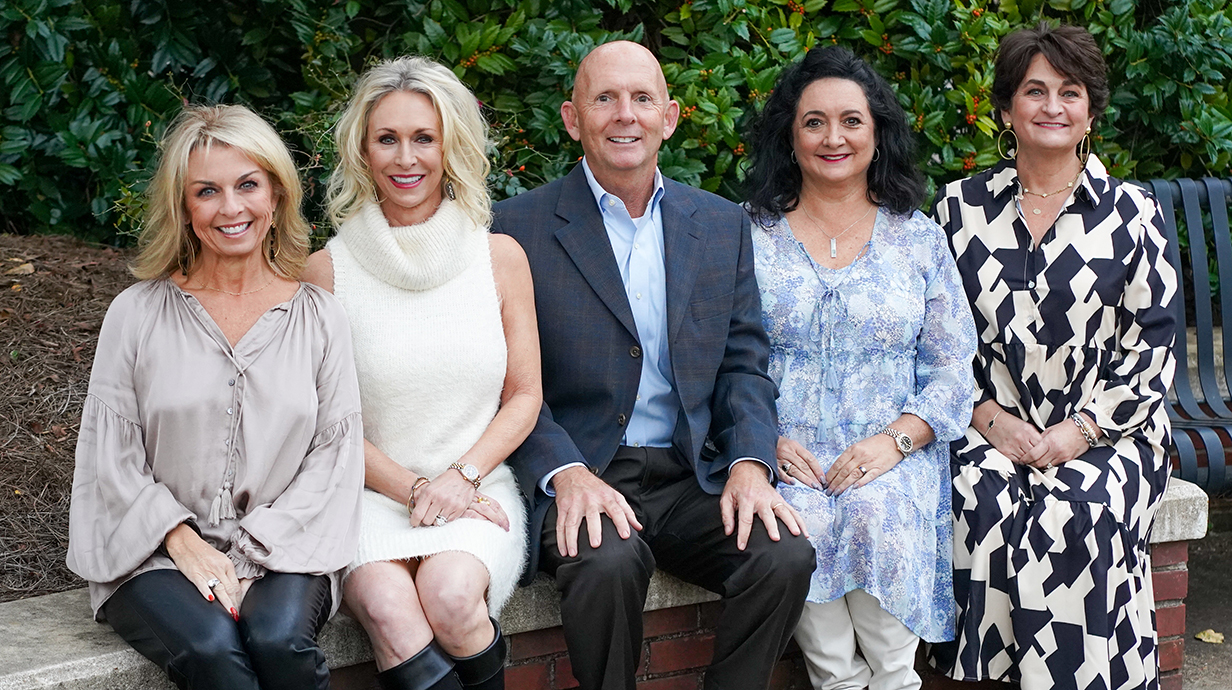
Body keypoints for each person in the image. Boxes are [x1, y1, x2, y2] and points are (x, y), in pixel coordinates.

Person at [490, 40, 816, 690]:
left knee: (784, 558)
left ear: (669, 117)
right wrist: (566, 472)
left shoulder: (721, 225)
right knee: (607, 565)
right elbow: (505, 377)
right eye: (604, 98)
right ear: (571, 117)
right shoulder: (517, 226)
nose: (624, 115)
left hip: (690, 475)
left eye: (641, 98)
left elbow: (744, 364)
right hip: (586, 468)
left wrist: (752, 465)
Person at [65, 104, 365, 690]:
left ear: (276, 195)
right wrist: (185, 544)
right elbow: (111, 458)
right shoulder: (136, 314)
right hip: (149, 550)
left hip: (285, 542)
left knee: (277, 640)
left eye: (247, 185)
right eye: (207, 191)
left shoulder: (320, 317)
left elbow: (334, 456)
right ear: (184, 206)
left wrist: (251, 555)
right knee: (211, 649)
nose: (231, 209)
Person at [929, 23, 1177, 690]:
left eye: (1070, 92)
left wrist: (1080, 432)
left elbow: (1152, 348)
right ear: (1007, 108)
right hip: (991, 421)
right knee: (976, 492)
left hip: (1110, 431)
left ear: (1091, 111)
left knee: (1075, 505)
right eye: (1034, 90)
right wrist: (987, 418)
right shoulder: (959, 209)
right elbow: (937, 339)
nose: (1051, 106)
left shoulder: (1133, 213)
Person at [301, 56, 539, 690]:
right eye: (387, 138)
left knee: (455, 598)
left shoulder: (499, 257)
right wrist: (412, 490)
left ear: (450, 145)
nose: (405, 158)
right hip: (365, 498)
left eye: (423, 138)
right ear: (363, 148)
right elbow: (327, 423)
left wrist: (460, 479)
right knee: (388, 608)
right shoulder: (325, 272)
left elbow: (524, 394)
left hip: (476, 489)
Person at [743, 46, 977, 690]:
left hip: (891, 455)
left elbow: (954, 368)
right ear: (789, 136)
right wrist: (759, 441)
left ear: (878, 133)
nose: (833, 137)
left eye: (851, 120)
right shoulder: (748, 235)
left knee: (876, 514)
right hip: (786, 458)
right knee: (797, 522)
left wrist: (896, 441)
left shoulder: (919, 238)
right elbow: (717, 360)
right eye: (813, 121)